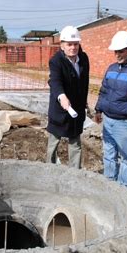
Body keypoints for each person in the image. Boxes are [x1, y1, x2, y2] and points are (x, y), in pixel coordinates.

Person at [94, 31, 127, 189]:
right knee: (109, 154)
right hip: (109, 120)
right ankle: (109, 184)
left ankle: (123, 188)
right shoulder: (111, 68)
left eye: (121, 51)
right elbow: (104, 91)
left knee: (126, 157)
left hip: (126, 123)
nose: (117, 54)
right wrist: (98, 110)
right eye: (115, 51)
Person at [46, 25, 90, 168]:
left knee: (75, 142)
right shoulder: (56, 61)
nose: (73, 47)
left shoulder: (83, 59)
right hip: (60, 110)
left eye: (75, 44)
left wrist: (84, 102)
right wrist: (62, 97)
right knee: (54, 142)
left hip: (76, 109)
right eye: (69, 44)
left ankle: (74, 173)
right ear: (62, 45)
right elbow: (55, 81)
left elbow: (84, 82)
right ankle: (49, 169)